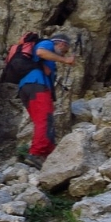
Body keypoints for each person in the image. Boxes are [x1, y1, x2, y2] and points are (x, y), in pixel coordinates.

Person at [17, 33, 76, 166]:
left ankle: (47, 151)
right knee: (44, 119)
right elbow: (41, 52)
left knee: (41, 120)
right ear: (61, 44)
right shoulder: (47, 44)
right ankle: (36, 153)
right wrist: (65, 60)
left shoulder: (38, 57)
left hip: (26, 88)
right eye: (64, 51)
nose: (63, 54)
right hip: (38, 85)